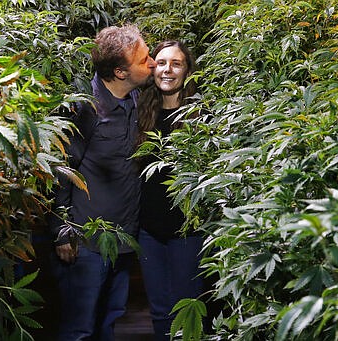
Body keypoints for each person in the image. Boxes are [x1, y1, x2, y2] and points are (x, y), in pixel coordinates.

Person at [48, 24, 157, 341]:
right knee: (78, 328)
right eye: (144, 59)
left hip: (122, 240)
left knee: (110, 322)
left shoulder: (137, 101)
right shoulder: (84, 108)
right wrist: (61, 231)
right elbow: (59, 169)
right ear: (121, 72)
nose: (151, 63)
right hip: (86, 244)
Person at [137, 40, 203, 341]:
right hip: (149, 231)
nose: (167, 70)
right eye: (161, 63)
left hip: (188, 230)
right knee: (160, 310)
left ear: (187, 70)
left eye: (176, 64)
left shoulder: (201, 116)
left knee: (187, 309)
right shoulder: (140, 112)